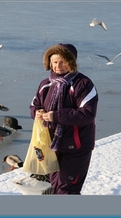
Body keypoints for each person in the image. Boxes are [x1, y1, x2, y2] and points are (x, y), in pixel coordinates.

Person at [29, 43, 99, 195]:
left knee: (66, 191)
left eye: (63, 61)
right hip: (52, 147)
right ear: (49, 63)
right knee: (56, 189)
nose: (58, 65)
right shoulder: (45, 84)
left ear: (71, 62)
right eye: (54, 62)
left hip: (76, 148)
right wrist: (38, 112)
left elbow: (87, 114)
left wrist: (56, 116)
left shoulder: (84, 84)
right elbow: (34, 106)